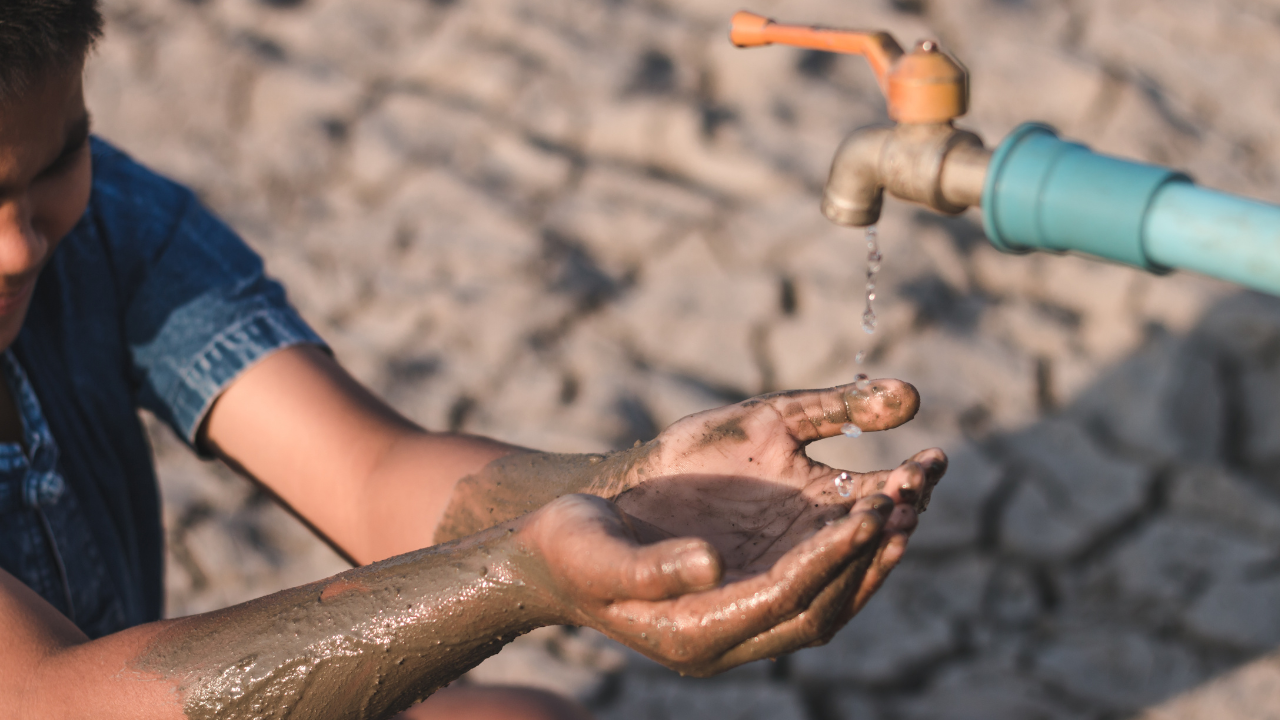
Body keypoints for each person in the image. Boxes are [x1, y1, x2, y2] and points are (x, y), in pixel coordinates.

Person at [0, 2, 949, 719]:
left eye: (56, 165)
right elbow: (56, 703)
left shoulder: (111, 223)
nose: (20, 246)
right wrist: (518, 575)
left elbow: (370, 471)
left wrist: (632, 497)